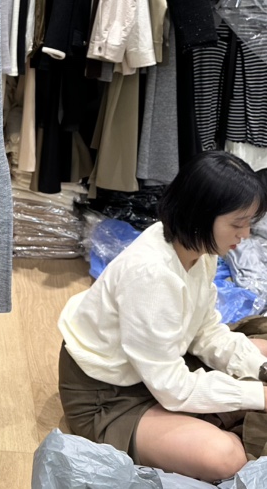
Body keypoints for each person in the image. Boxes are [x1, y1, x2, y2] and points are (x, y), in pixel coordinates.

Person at [58, 151, 267, 482]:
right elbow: (172, 387)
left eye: (248, 224)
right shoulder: (152, 275)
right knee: (226, 456)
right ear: (201, 215)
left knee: (260, 353)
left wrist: (261, 371)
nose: (245, 236)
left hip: (149, 369)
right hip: (106, 395)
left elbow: (206, 331)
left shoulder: (199, 249)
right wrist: (259, 396)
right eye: (237, 224)